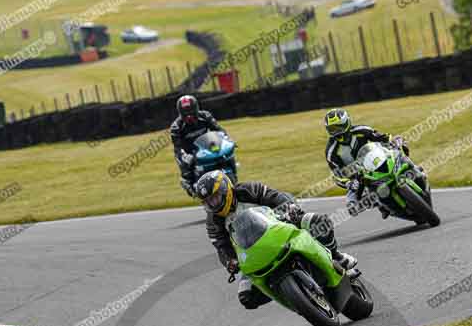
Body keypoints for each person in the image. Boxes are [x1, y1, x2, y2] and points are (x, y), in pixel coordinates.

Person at [194, 171, 358, 309]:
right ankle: (297, 299)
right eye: (207, 202)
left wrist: (289, 208)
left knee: (320, 222)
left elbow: (274, 196)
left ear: (225, 190)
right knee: (247, 297)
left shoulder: (247, 189)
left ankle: (336, 257)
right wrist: (229, 262)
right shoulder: (213, 222)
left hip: (280, 224)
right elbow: (222, 247)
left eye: (214, 198)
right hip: (252, 252)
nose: (212, 204)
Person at [323, 108, 410, 219]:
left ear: (347, 123)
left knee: (399, 146)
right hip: (359, 176)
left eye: (339, 127)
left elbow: (381, 137)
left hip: (376, 159)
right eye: (332, 129)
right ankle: (380, 205)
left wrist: (393, 141)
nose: (336, 131)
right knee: (353, 197)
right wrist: (348, 183)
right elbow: (337, 175)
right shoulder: (331, 151)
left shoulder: (361, 130)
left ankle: (414, 169)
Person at [170, 95, 227, 197]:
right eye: (185, 113)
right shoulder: (176, 127)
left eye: (191, 111)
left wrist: (226, 140)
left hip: (206, 146)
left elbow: (219, 130)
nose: (189, 116)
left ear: (196, 108)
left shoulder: (205, 116)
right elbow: (177, 148)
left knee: (224, 154)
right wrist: (184, 156)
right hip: (189, 152)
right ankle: (188, 183)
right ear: (180, 113)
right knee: (187, 164)